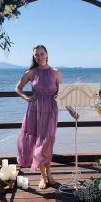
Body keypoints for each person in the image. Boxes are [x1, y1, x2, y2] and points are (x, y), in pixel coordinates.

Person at [15, 45, 79, 189]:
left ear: (47, 54)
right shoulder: (31, 72)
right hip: (35, 110)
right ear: (34, 57)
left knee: (47, 142)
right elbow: (17, 88)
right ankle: (44, 177)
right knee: (37, 143)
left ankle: (49, 173)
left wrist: (71, 111)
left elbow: (62, 94)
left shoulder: (56, 72)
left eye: (42, 53)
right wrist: (26, 97)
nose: (39, 56)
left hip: (50, 110)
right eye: (36, 55)